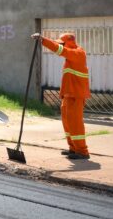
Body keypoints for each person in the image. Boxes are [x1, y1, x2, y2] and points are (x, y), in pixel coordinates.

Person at [33, 32, 91, 160]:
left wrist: (43, 40)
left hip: (76, 96)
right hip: (68, 95)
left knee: (75, 123)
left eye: (62, 43)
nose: (60, 45)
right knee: (67, 122)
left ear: (68, 43)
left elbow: (60, 50)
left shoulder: (78, 53)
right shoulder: (70, 57)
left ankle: (82, 151)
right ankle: (73, 148)